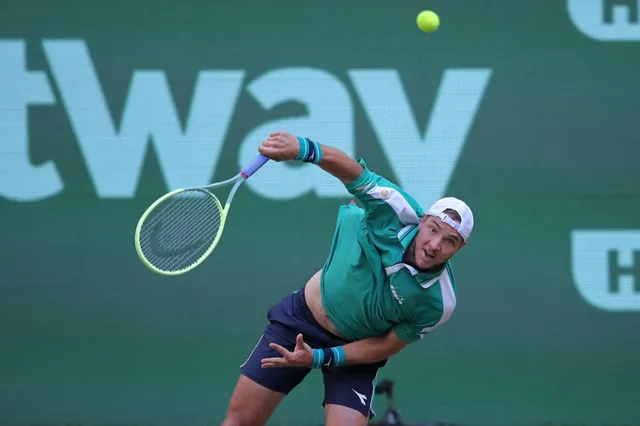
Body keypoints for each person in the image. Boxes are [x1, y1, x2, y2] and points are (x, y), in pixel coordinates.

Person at [221, 131, 474, 426]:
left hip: (356, 350)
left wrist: (320, 357)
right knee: (240, 421)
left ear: (460, 248)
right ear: (421, 222)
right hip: (299, 322)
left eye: (449, 241)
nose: (434, 245)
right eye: (433, 229)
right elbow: (354, 171)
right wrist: (303, 148)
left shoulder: (438, 302)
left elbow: (388, 345)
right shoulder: (396, 210)